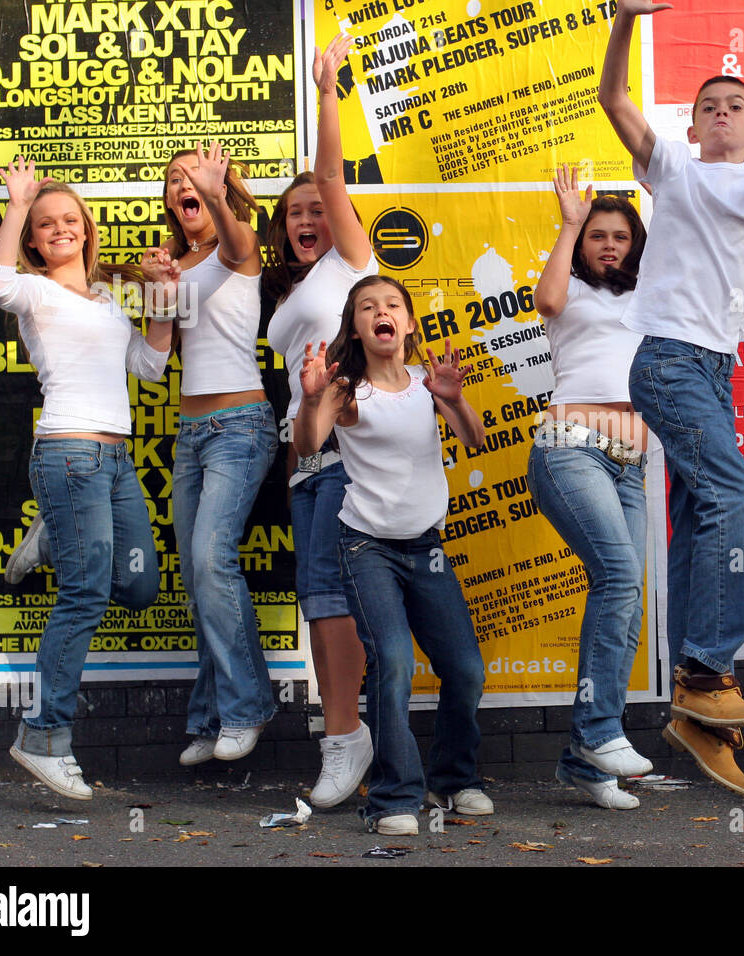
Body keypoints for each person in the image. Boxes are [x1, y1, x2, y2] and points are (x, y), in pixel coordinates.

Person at [598, 0, 744, 795]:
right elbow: (616, 101)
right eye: (708, 108)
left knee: (696, 518)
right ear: (692, 131)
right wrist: (621, 22)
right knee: (734, 494)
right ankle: (709, 673)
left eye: (735, 108)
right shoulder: (671, 168)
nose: (721, 114)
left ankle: (692, 697)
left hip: (713, 368)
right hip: (669, 362)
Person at [0, 158, 172, 799]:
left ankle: (49, 530)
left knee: (141, 587)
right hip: (68, 454)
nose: (59, 229)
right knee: (86, 596)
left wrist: (162, 299)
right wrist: (17, 203)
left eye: (70, 220)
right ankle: (43, 737)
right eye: (46, 224)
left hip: (114, 464)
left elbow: (150, 365)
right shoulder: (34, 292)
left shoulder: (106, 302)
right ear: (35, 239)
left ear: (87, 231)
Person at [295, 276, 491, 836]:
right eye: (367, 308)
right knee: (394, 662)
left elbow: (475, 440)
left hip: (426, 547)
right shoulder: (347, 390)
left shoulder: (429, 384)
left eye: (392, 306)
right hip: (366, 547)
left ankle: (452, 781)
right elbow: (310, 445)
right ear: (356, 328)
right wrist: (312, 399)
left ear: (406, 323)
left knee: (465, 670)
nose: (381, 313)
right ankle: (393, 798)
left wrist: (454, 399)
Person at [264, 35, 377, 808]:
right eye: (295, 213)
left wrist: (327, 89)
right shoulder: (280, 290)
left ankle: (347, 736)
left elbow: (332, 173)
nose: (309, 217)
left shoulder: (350, 264)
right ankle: (348, 732)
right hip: (302, 458)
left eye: (318, 210)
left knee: (339, 598)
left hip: (351, 451)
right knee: (319, 598)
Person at [527, 165, 651, 810]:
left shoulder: (652, 296)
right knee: (619, 576)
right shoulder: (567, 287)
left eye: (620, 236)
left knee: (626, 594)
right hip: (569, 448)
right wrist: (569, 221)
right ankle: (601, 731)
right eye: (597, 235)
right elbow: (545, 304)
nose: (608, 244)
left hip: (630, 461)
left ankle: (583, 756)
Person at [158, 142, 279, 765]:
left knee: (211, 560)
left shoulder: (242, 244)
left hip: (241, 426)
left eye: (195, 179)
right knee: (198, 575)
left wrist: (213, 188)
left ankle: (246, 708)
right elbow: (160, 361)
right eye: (175, 182)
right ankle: (211, 716)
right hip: (191, 434)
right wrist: (157, 289)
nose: (186, 188)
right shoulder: (178, 266)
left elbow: (235, 244)